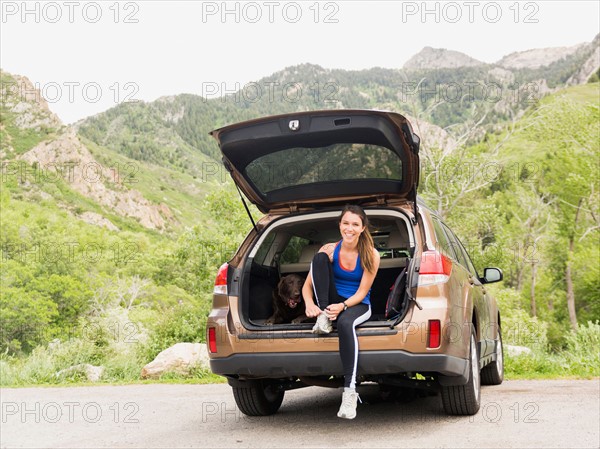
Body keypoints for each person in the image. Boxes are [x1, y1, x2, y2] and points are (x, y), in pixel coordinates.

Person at [302, 204, 381, 420]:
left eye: (355, 224)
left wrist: (343, 307)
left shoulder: (371, 255)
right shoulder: (329, 249)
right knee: (318, 258)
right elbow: (306, 286)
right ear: (339, 225)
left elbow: (362, 292)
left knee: (346, 324)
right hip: (331, 304)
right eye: (346, 223)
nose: (350, 228)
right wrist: (310, 304)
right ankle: (324, 317)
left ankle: (349, 392)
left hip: (358, 304)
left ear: (363, 228)